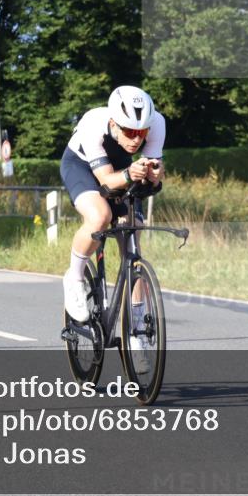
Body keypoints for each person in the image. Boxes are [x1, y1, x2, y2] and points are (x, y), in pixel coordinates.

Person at [60, 86, 166, 341]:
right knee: (100, 216)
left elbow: (152, 171)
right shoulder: (93, 124)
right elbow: (106, 181)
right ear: (113, 124)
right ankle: (74, 278)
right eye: (129, 132)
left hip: (122, 168)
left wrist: (155, 175)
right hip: (81, 166)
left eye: (142, 132)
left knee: (133, 233)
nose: (136, 140)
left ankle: (137, 329)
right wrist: (130, 174)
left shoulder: (157, 123)